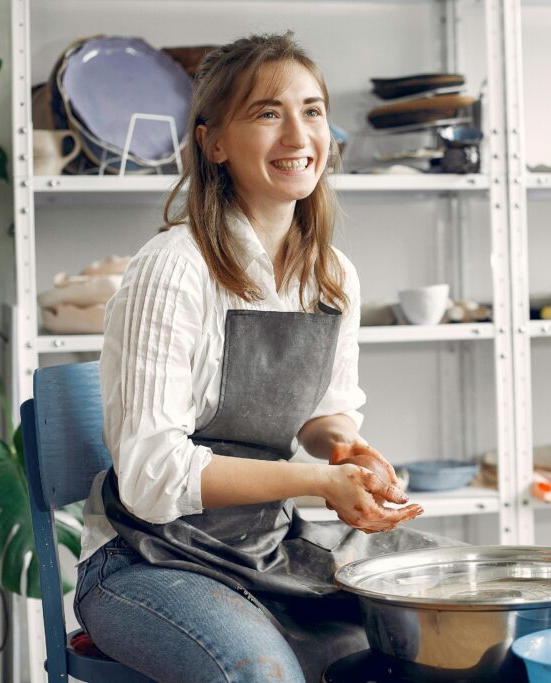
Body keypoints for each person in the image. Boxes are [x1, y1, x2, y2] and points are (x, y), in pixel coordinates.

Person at [73, 32, 447, 683]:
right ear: (213, 142)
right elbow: (150, 474)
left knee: (446, 613)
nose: (298, 134)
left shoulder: (331, 274)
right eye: (267, 112)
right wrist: (319, 483)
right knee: (262, 672)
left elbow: (325, 410)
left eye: (312, 110)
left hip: (266, 550)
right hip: (146, 560)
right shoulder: (173, 267)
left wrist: (346, 451)